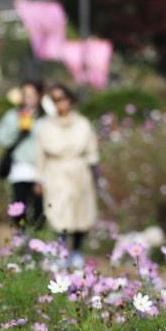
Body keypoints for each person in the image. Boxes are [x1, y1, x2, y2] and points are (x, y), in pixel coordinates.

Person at [37, 84, 102, 268]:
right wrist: (39, 179)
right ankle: (61, 251)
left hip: (79, 171)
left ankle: (77, 251)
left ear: (70, 100)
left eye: (61, 99)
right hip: (56, 171)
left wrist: (96, 176)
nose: (59, 104)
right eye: (54, 100)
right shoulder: (47, 126)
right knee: (59, 213)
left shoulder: (82, 124)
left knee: (81, 214)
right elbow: (40, 154)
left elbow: (92, 152)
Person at [0, 81, 44, 229]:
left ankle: (37, 239)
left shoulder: (45, 118)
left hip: (40, 169)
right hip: (20, 167)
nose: (28, 98)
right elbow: (1, 138)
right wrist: (19, 130)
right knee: (19, 206)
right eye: (25, 95)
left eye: (32, 95)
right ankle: (21, 236)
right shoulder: (12, 116)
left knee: (39, 208)